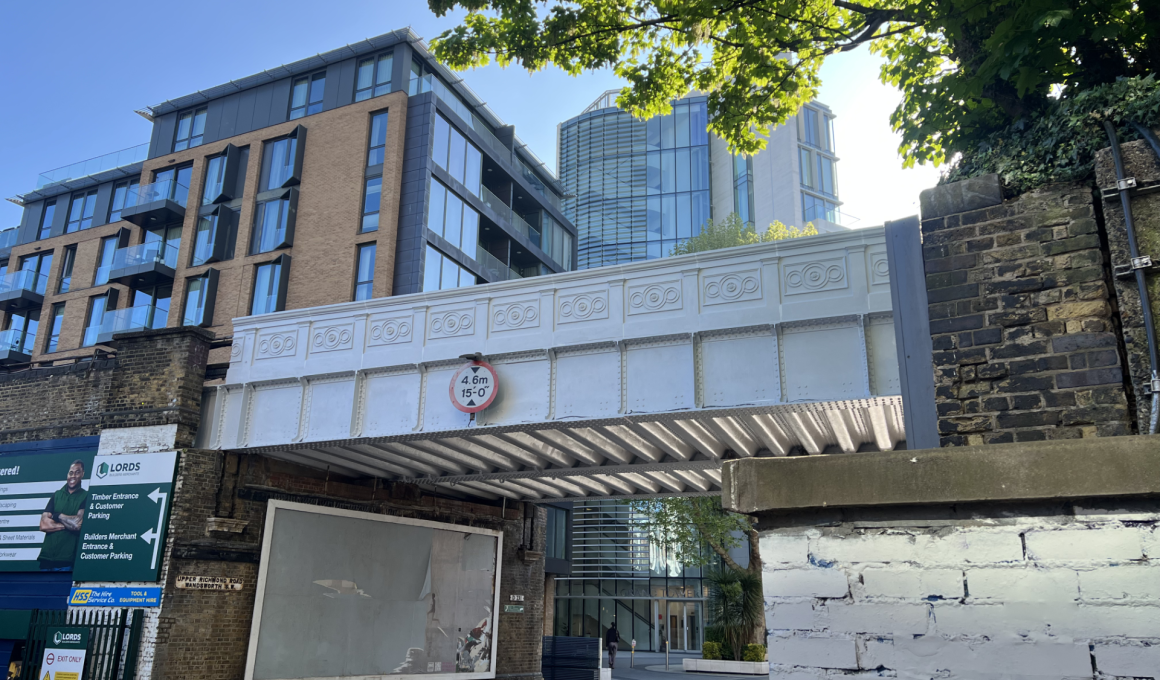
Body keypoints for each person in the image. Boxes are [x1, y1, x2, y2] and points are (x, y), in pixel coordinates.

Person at [37, 459, 88, 571]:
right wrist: (67, 525)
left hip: (66, 560)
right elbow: (43, 525)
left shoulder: (85, 496)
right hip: (46, 558)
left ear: (83, 474)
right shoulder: (57, 495)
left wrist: (58, 516)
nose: (73, 476)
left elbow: (77, 524)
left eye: (77, 472)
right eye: (71, 472)